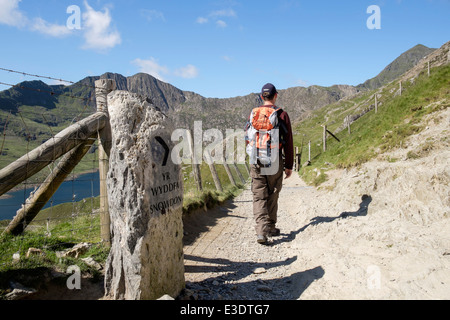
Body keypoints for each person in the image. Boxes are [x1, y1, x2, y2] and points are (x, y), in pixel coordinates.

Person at [245, 83, 294, 244]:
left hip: (256, 159)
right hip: (274, 159)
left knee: (259, 195)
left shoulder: (254, 114)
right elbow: (288, 142)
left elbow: (248, 137)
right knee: (273, 191)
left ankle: (261, 231)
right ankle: (271, 226)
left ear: (261, 97)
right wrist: (288, 165)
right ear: (276, 96)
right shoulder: (282, 115)